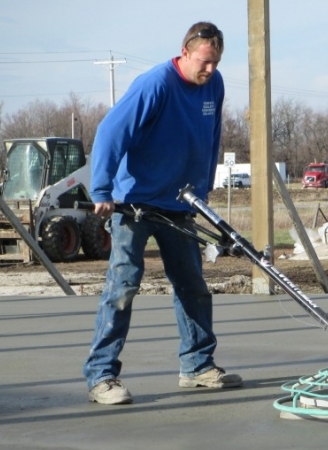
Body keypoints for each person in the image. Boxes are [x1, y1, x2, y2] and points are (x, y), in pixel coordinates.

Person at [83, 21, 242, 405]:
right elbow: (109, 132)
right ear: (185, 53)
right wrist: (102, 188)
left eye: (216, 62)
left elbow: (211, 135)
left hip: (181, 203)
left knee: (193, 286)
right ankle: (101, 376)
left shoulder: (214, 85)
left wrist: (203, 187)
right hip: (135, 204)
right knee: (123, 287)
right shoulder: (155, 84)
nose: (209, 70)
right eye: (204, 61)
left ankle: (198, 366)